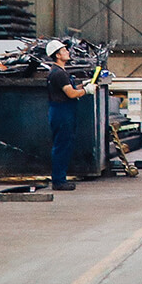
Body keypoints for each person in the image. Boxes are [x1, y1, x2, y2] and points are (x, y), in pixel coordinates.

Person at [45, 43, 94, 190]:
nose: (67, 52)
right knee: (62, 146)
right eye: (64, 50)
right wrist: (86, 91)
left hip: (62, 111)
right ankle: (59, 181)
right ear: (57, 55)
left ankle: (60, 178)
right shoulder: (59, 74)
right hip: (62, 112)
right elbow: (71, 94)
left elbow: (71, 89)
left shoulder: (59, 72)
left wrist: (82, 86)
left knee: (64, 145)